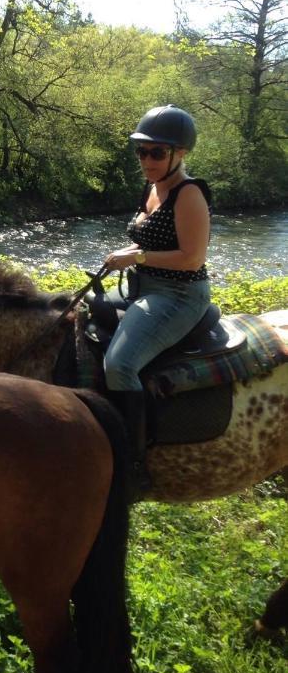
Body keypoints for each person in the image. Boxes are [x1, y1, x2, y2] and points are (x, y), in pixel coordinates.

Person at [102, 104, 212, 498]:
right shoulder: (152, 188)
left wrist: (137, 257)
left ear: (180, 154)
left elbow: (191, 257)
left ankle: (133, 462)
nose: (146, 160)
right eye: (141, 151)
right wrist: (126, 252)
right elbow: (149, 239)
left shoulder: (188, 194)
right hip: (144, 289)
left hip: (179, 295)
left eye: (157, 152)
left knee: (120, 364)